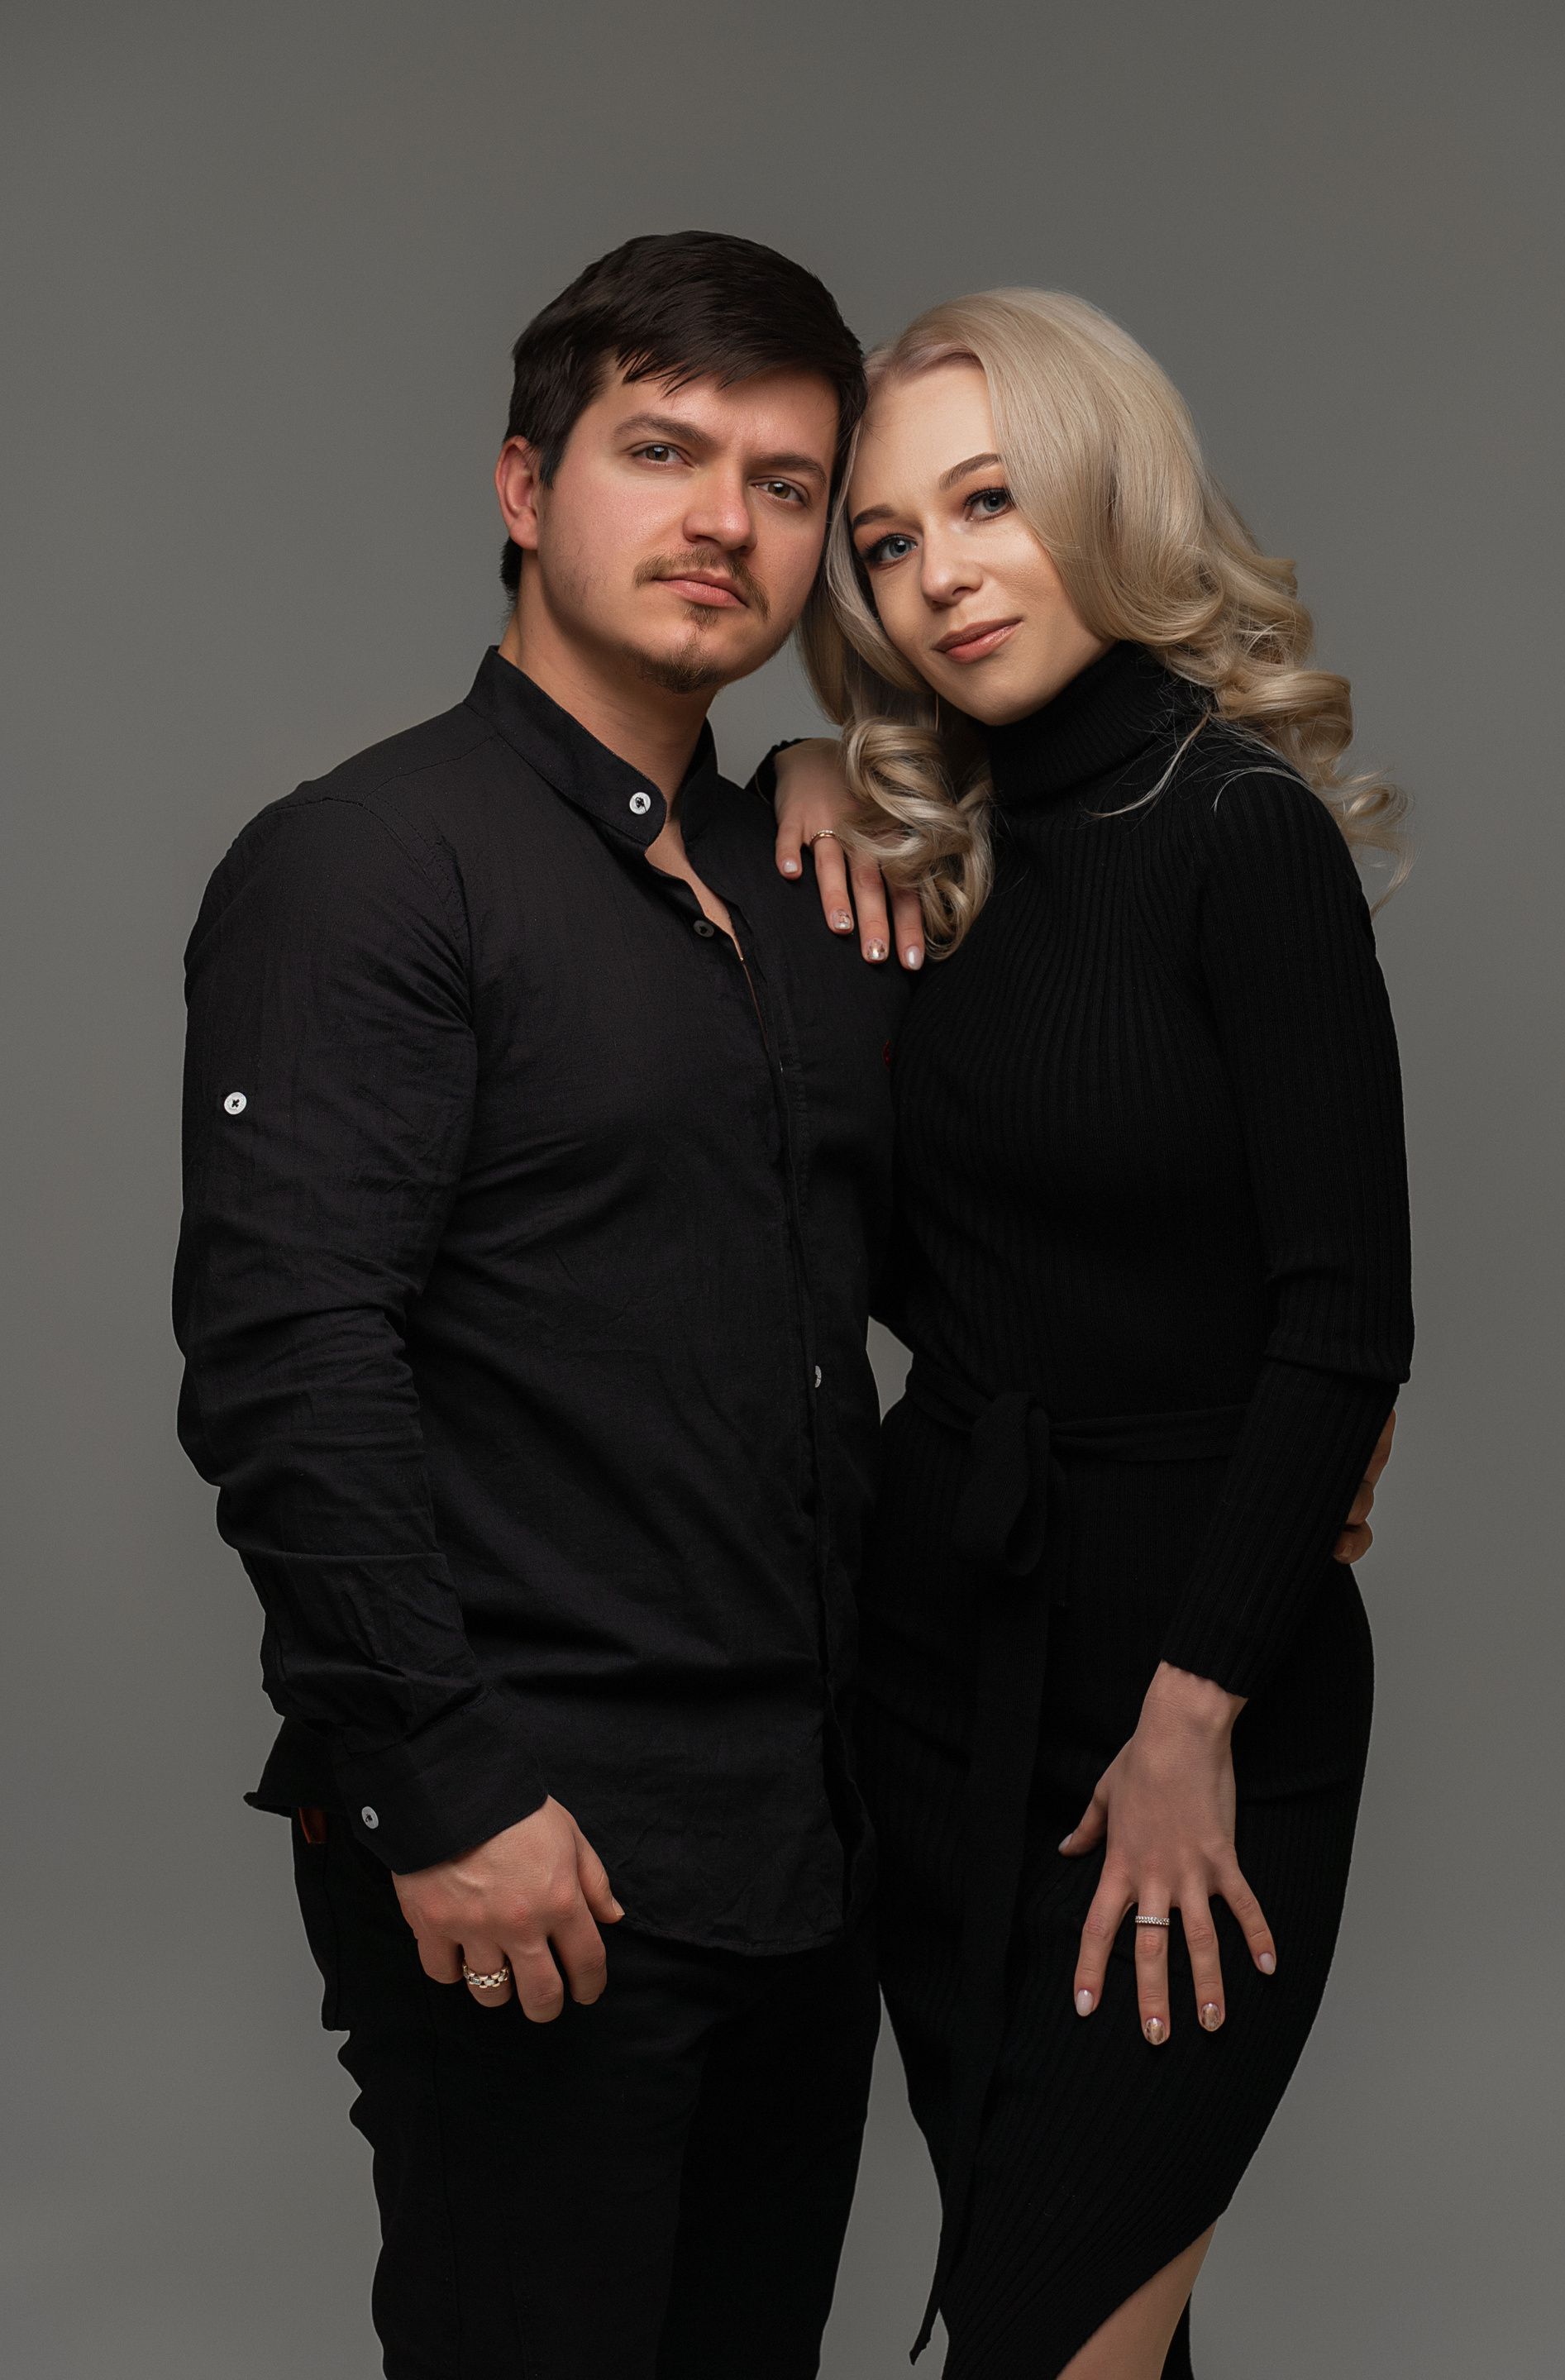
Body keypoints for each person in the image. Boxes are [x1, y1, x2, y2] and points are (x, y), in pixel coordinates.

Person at [172, 230, 922, 2380]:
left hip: (803, 1848)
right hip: (537, 1852)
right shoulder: (367, 865)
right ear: (524, 485)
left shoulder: (800, 880)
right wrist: (441, 1788)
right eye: (660, 452)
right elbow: (290, 1358)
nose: (725, 522)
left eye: (786, 484)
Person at [766, 288, 1412, 2380]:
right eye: (886, 540)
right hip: (938, 1681)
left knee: (1052, 2332)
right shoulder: (922, 865)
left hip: (1198, 1709)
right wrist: (793, 771)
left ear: (1108, 494)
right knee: (1062, 2319)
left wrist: (1192, 1717)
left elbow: (1345, 1322)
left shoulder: (1239, 834)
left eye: (991, 502)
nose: (941, 574)